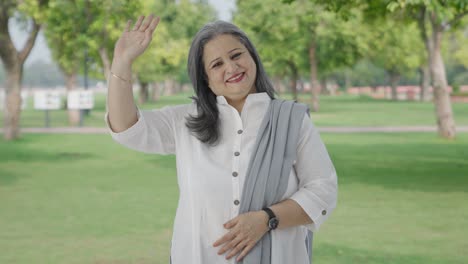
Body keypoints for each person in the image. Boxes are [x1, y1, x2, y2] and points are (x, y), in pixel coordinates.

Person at [106, 14, 337, 264]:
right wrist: (122, 62)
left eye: (236, 55)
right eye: (217, 64)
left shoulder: (291, 121)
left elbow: (323, 190)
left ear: (251, 56)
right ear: (206, 79)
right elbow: (126, 128)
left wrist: (266, 219)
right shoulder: (185, 122)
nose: (231, 67)